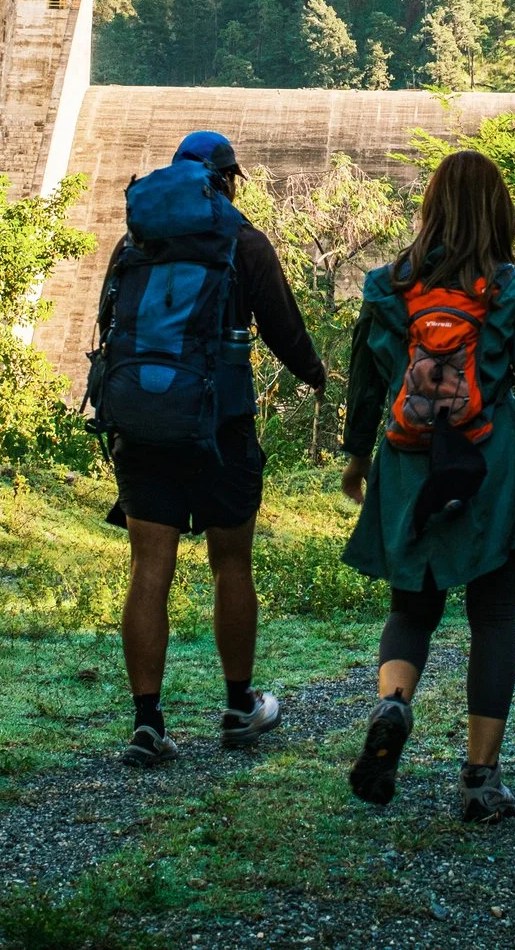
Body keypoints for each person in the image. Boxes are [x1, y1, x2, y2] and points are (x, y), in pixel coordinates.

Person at [337, 149, 515, 823]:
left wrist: (356, 456)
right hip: (491, 462)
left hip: (409, 463)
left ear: (430, 206)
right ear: (498, 210)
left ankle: (395, 700)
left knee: (412, 609)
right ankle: (479, 780)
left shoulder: (385, 285)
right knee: (493, 619)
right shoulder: (508, 287)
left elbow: (368, 382)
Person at [96, 131, 328, 768]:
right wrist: (318, 375)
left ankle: (147, 722)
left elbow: (109, 326)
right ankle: (237, 707)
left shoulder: (133, 241)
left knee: (149, 569)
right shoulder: (243, 242)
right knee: (231, 562)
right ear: (227, 182)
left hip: (142, 422)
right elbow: (284, 328)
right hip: (220, 427)